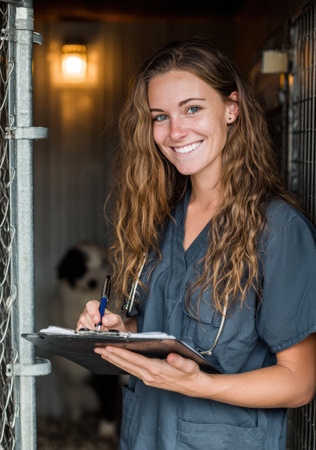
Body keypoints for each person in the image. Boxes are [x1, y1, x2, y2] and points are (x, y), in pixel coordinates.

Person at [76, 38, 316, 449]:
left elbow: (299, 382)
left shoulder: (277, 229)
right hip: (144, 435)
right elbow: (168, 329)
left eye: (192, 108)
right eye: (160, 116)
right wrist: (123, 329)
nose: (174, 132)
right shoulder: (160, 218)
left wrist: (200, 385)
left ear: (231, 108)